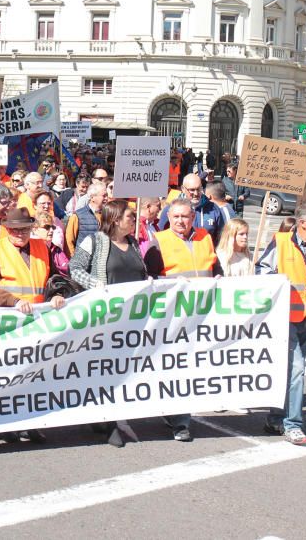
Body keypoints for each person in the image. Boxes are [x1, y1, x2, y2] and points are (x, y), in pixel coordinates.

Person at [0, 208, 65, 443]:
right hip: (9, 322)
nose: (21, 234)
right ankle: (8, 424)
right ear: (7, 229)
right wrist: (14, 301)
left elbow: (53, 278)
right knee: (9, 376)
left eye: (25, 229)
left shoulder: (42, 248)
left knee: (35, 374)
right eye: (16, 230)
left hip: (38, 321)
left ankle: (32, 422)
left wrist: (57, 295)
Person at [67, 200, 146, 447]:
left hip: (132, 319)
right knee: (106, 369)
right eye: (129, 216)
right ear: (115, 220)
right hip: (105, 318)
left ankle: (113, 417)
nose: (133, 220)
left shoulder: (133, 244)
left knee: (125, 369)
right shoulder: (95, 241)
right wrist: (96, 285)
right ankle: (107, 422)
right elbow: (75, 268)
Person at [144, 198, 221, 442]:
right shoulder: (160, 240)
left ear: (193, 218)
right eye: (176, 216)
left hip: (204, 315)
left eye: (185, 216)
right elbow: (151, 277)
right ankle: (181, 422)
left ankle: (173, 411)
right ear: (169, 218)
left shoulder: (205, 238)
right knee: (179, 368)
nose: (180, 221)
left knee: (194, 367)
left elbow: (215, 269)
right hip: (174, 316)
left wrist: (220, 280)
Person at [256, 204, 306, 446]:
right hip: (285, 317)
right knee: (297, 369)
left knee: (289, 371)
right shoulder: (282, 242)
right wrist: (277, 284)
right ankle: (293, 424)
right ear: (302, 222)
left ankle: (275, 417)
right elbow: (262, 270)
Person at [158, 173, 225, 243]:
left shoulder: (213, 208)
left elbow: (221, 237)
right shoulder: (171, 209)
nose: (196, 193)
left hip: (206, 252)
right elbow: (161, 237)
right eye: (192, 190)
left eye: (199, 189)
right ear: (183, 189)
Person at [64, 182, 106, 257]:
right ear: (92, 197)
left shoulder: (107, 215)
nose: (106, 198)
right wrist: (75, 262)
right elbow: (69, 241)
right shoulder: (77, 216)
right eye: (104, 196)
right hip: (83, 263)